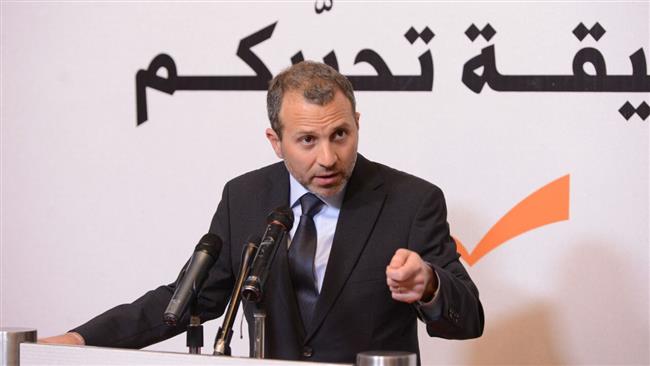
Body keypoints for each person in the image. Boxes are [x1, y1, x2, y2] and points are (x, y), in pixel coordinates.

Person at [40, 61, 484, 363]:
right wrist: (80, 340)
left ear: (357, 124)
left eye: (341, 134)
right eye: (307, 141)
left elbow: (470, 319)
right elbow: (185, 299)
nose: (328, 158)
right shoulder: (245, 197)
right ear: (276, 141)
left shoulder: (411, 201)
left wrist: (429, 285)